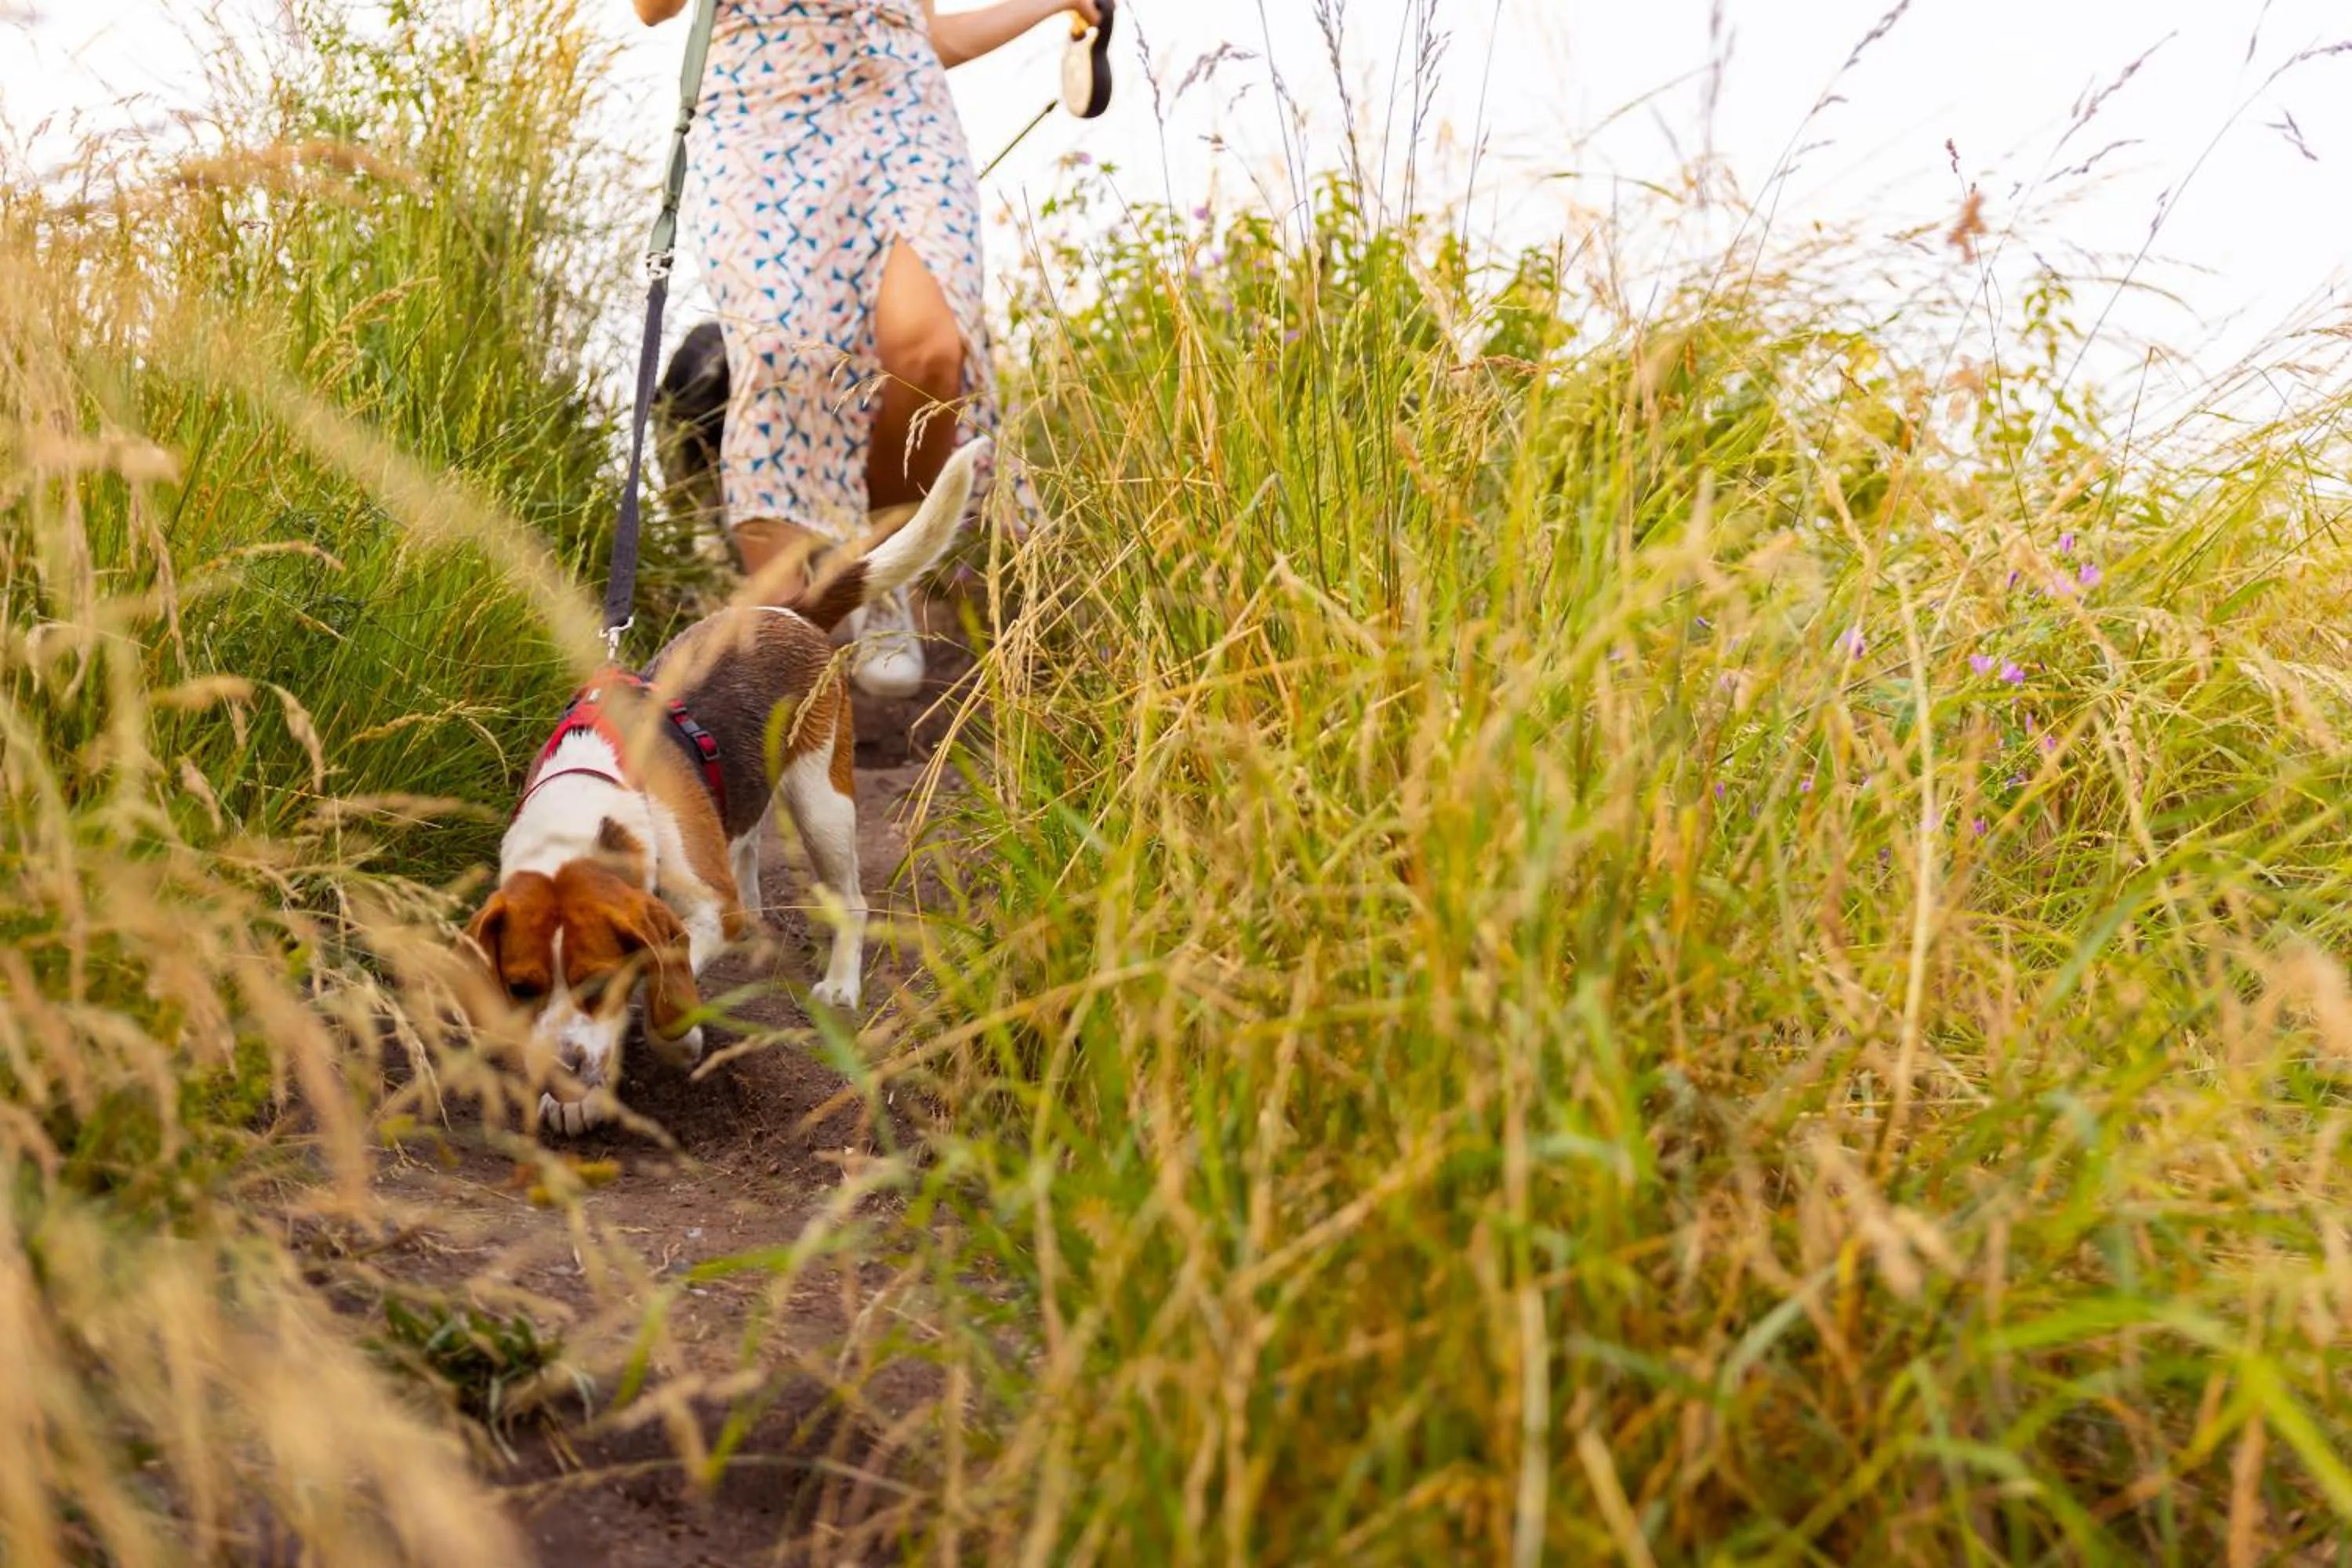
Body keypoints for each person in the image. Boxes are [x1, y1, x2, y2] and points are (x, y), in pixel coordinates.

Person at [633, 0, 1094, 699]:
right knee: (786, 361)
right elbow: (651, 10)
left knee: (934, 351)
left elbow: (929, 33)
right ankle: (786, 679)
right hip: (760, 109)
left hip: (904, 113)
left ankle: (882, 573)